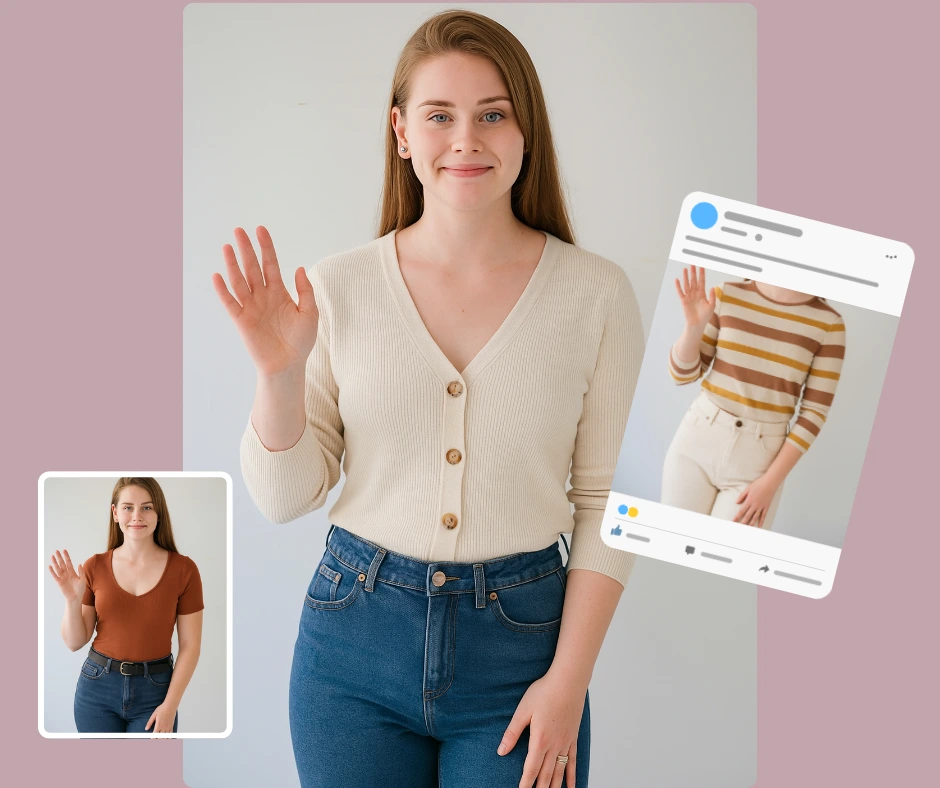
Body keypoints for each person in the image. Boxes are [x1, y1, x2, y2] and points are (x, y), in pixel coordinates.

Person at [213, 10, 643, 787]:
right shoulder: (338, 287)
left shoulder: (596, 294)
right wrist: (278, 372)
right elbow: (284, 498)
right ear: (401, 132)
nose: (466, 140)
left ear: (524, 130)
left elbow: (613, 503)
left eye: (492, 114)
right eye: (439, 115)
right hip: (352, 646)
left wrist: (569, 680)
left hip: (525, 650)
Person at [663, 265, 846, 528]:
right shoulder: (727, 295)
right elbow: (681, 375)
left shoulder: (829, 324)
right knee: (671, 540)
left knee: (722, 558)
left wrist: (770, 483)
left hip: (759, 464)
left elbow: (814, 414)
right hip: (697, 441)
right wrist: (693, 327)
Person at [48, 477, 204, 733]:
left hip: (156, 691)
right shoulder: (94, 566)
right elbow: (75, 642)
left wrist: (170, 706)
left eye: (147, 507)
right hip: (96, 688)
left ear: (158, 512)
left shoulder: (184, 570)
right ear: (115, 513)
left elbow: (191, 646)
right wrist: (72, 601)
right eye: (128, 507)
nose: (137, 516)